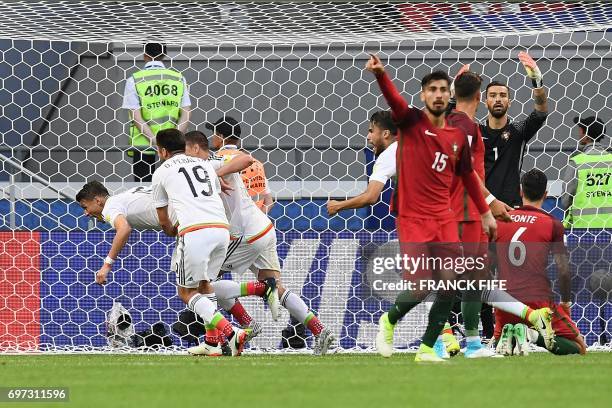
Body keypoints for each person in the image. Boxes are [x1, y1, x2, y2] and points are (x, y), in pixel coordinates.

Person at [366, 54, 497, 362]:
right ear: (424, 95)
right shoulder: (412, 123)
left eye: (443, 89)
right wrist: (381, 75)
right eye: (432, 90)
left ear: (450, 95)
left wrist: (487, 213)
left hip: (444, 219)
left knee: (449, 284)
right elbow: (395, 101)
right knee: (422, 286)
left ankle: (426, 349)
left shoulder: (456, 136)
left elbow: (468, 175)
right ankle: (389, 320)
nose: (438, 94)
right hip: (413, 218)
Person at [183, 130, 336, 355]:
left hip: (244, 235)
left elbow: (246, 159)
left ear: (196, 148)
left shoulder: (215, 162)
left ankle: (222, 337)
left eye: (186, 152)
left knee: (202, 285)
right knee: (279, 288)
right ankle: (320, 330)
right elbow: (263, 194)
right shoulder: (198, 171)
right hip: (263, 228)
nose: (183, 159)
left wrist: (218, 175)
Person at [152, 128, 250, 356]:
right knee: (206, 286)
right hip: (221, 230)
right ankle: (212, 343)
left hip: (195, 231)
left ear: (163, 151)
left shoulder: (161, 172)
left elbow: (165, 223)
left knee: (186, 293)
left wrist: (173, 229)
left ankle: (231, 332)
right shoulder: (204, 164)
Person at [495, 169, 586, 356]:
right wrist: (566, 302)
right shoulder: (552, 223)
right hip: (538, 303)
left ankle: (508, 335)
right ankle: (531, 336)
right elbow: (563, 270)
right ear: (546, 194)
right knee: (580, 347)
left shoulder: (501, 219)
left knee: (502, 343)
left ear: (521, 192)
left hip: (504, 302)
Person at [481, 51, 548, 208]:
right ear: (485, 102)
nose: (498, 99)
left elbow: (541, 113)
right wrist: (452, 97)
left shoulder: (518, 130)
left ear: (509, 102)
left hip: (512, 208)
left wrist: (537, 83)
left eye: (503, 95)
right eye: (493, 95)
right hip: (484, 209)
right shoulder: (476, 132)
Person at [122, 42, 191, 182]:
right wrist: (172, 142)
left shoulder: (134, 80)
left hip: (143, 145)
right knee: (171, 187)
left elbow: (136, 117)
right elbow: (186, 113)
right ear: (164, 55)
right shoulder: (178, 78)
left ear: (145, 55)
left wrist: (155, 141)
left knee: (144, 190)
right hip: (172, 148)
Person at [326, 110, 397, 216]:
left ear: (385, 134)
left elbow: (370, 197)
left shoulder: (388, 155)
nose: (368, 137)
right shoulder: (406, 147)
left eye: (371, 131)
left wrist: (338, 206)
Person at [207, 116, 274, 214]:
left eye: (214, 134)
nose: (212, 137)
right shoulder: (257, 163)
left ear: (220, 137)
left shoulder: (213, 162)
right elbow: (269, 202)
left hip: (229, 225)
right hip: (254, 224)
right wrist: (258, 222)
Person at [561, 116, 611, 228]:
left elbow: (565, 200)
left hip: (582, 229)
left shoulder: (577, 162)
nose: (579, 132)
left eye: (581, 129)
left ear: (585, 134)